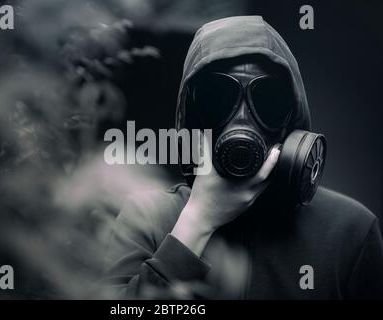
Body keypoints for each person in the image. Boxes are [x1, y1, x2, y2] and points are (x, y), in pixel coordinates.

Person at [103, 16, 383, 299]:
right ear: (192, 120)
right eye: (216, 98)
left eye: (269, 100)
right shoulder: (148, 218)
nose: (242, 118)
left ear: (292, 119)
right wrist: (196, 223)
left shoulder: (349, 231)